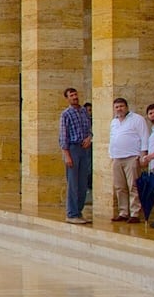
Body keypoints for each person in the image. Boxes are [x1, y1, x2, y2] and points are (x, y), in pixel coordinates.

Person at [107, 98, 149, 223]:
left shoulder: (137, 119)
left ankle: (135, 213)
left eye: (121, 106)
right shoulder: (114, 122)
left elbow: (144, 136)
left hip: (132, 157)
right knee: (120, 187)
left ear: (126, 107)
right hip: (117, 158)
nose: (119, 109)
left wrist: (143, 155)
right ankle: (123, 212)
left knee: (133, 186)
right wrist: (111, 155)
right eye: (116, 107)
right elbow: (112, 138)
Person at [60, 88, 94, 225]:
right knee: (73, 183)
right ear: (67, 98)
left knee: (82, 183)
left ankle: (79, 212)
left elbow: (91, 129)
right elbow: (63, 136)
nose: (74, 97)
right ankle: (71, 213)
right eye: (71, 95)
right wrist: (66, 155)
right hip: (72, 149)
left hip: (84, 149)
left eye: (75, 94)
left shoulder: (84, 112)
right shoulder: (66, 114)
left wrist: (90, 138)